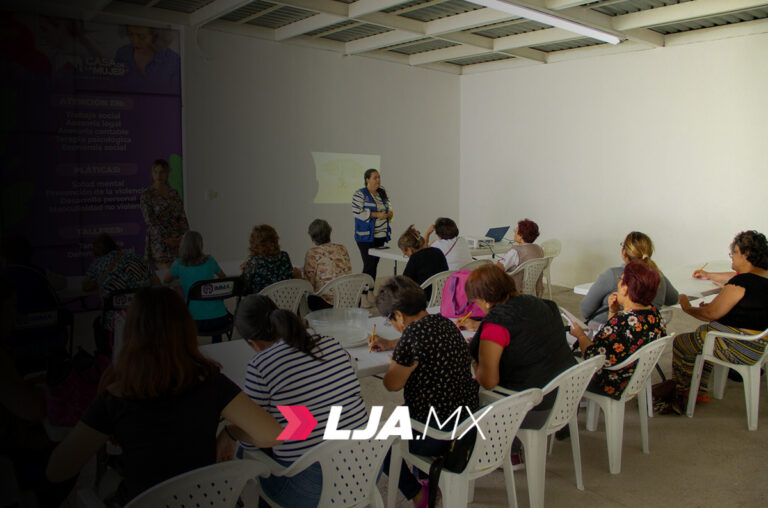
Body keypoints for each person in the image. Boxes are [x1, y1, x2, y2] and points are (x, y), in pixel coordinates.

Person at [45, 287, 283, 505]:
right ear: (186, 329)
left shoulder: (113, 399)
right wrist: (230, 432)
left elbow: (57, 471)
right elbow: (278, 433)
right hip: (212, 500)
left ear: (130, 335)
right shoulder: (211, 382)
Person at [225, 295, 368, 507]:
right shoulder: (332, 344)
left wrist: (231, 432)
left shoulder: (261, 366)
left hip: (314, 490)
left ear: (253, 343)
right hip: (365, 471)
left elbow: (253, 439)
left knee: (246, 454)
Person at [371, 276, 478, 507]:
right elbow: (425, 346)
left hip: (438, 433)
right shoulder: (446, 323)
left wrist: (394, 363)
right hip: (467, 423)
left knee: (376, 440)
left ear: (398, 315)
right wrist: (395, 346)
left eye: (390, 320)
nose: (392, 325)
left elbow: (391, 384)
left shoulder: (412, 337)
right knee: (415, 408)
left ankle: (419, 495)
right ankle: (427, 478)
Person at [464, 264, 575, 429]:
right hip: (567, 396)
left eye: (476, 302)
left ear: (486, 301)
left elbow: (488, 382)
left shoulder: (496, 325)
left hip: (531, 408)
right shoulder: (541, 304)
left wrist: (474, 358)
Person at [672, 230, 768, 405]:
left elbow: (710, 314)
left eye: (734, 252)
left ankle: (684, 392)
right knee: (705, 334)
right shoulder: (764, 276)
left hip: (739, 346)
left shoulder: (742, 282)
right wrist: (710, 279)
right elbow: (742, 306)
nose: (731, 256)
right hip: (759, 344)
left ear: (746, 254)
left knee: (682, 342)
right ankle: (699, 388)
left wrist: (687, 308)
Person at [569, 261, 667, 399]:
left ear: (625, 289)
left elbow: (592, 356)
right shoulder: (654, 314)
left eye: (621, 281)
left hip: (611, 382)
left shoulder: (622, 322)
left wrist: (580, 336)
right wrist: (613, 312)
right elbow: (616, 341)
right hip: (632, 376)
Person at [580, 231, 678, 327]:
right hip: (646, 334)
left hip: (602, 331)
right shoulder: (658, 276)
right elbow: (674, 299)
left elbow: (585, 310)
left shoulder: (612, 275)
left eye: (622, 280)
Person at [84, 233, 160, 354]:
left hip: (114, 323)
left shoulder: (98, 264)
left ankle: (107, 359)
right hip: (143, 318)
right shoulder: (137, 258)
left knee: (98, 323)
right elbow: (156, 284)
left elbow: (86, 286)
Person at [164, 231, 231, 343]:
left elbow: (166, 280)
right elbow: (223, 277)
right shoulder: (210, 260)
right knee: (217, 329)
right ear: (201, 245)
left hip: (193, 321)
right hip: (219, 319)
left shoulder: (179, 263)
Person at [140, 159, 189, 269]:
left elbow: (182, 216)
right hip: (160, 241)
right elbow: (150, 221)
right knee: (167, 277)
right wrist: (167, 239)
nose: (159, 175)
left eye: (162, 172)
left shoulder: (173, 193)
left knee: (178, 277)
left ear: (167, 174)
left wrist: (182, 237)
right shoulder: (147, 195)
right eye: (155, 172)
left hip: (177, 240)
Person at [352, 169, 392, 301]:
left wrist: (389, 214)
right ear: (367, 180)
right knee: (368, 264)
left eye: (379, 177)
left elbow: (388, 208)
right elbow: (357, 212)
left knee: (374, 265)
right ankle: (362, 296)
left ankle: (370, 292)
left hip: (380, 235)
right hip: (365, 236)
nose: (378, 180)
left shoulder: (381, 194)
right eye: (375, 178)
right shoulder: (360, 194)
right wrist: (376, 214)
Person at [114, 25, 180, 93]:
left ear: (155, 36)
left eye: (142, 36)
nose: (135, 41)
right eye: (130, 34)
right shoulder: (122, 53)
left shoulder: (173, 60)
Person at [302, 219, 352, 310]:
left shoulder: (312, 253)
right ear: (329, 233)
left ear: (312, 239)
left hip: (326, 304)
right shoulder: (342, 248)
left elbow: (308, 285)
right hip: (348, 299)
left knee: (306, 299)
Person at [399, 225, 448, 302]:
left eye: (406, 254)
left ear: (410, 249)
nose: (407, 256)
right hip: (443, 296)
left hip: (424, 299)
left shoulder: (415, 258)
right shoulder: (438, 252)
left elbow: (404, 283)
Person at [496, 219, 545, 297]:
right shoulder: (539, 249)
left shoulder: (515, 251)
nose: (514, 233)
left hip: (515, 290)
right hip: (533, 290)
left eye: (516, 231)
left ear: (521, 236)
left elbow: (497, 269)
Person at [241, 224, 295, 295]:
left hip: (262, 303)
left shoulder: (254, 262)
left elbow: (244, 289)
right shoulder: (284, 256)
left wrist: (245, 269)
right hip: (286, 301)